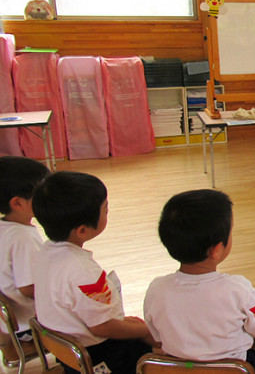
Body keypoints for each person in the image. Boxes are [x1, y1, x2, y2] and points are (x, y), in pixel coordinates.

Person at [144, 190, 255, 374]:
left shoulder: (156, 288)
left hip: (180, 368)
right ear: (216, 250)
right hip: (232, 369)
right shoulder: (238, 288)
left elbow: (156, 335)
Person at [31, 171, 154, 373]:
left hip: (68, 353)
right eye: (105, 209)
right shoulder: (83, 272)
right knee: (151, 342)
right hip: (100, 356)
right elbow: (103, 327)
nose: (108, 211)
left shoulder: (44, 252)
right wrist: (145, 329)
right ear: (82, 230)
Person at [0, 157, 49, 362]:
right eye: (44, 195)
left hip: (9, 323)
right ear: (18, 202)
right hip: (27, 324)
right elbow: (28, 287)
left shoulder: (6, 229)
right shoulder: (24, 237)